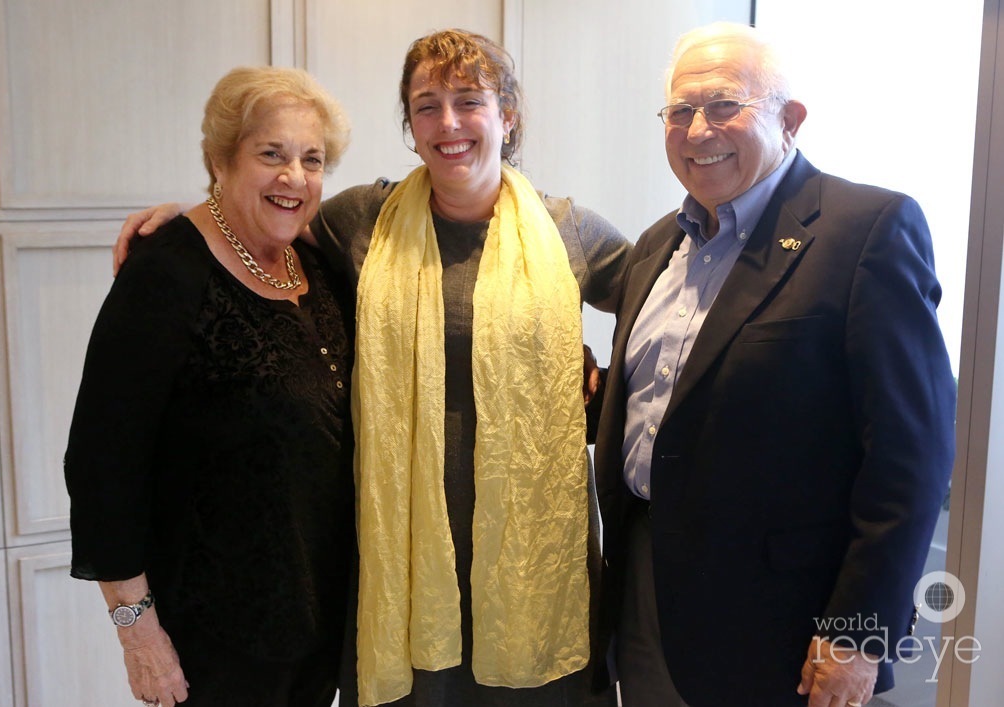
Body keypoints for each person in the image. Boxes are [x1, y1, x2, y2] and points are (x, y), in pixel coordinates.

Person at [115, 29, 630, 707]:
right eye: (427, 105)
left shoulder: (571, 232)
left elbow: (663, 313)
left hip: (532, 564)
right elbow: (268, 217)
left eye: (469, 101)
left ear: (508, 116)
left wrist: (600, 391)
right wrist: (188, 217)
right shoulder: (365, 219)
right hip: (402, 564)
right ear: (410, 127)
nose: (448, 123)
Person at [590, 22, 956, 707]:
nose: (698, 130)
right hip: (644, 591)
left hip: (783, 626)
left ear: (790, 120)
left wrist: (858, 632)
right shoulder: (653, 249)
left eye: (725, 104)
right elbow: (676, 405)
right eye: (679, 111)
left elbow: (913, 456)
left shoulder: (866, 230)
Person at [65, 66, 355, 707]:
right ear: (219, 161)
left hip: (321, 632)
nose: (294, 177)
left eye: (312, 159)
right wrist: (137, 636)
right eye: (270, 154)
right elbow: (101, 464)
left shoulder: (322, 266)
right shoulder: (166, 274)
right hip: (213, 646)